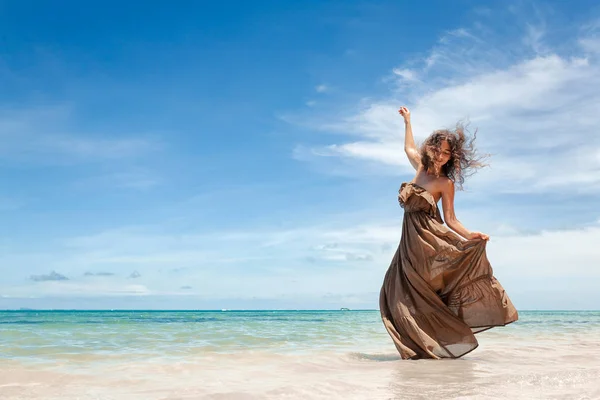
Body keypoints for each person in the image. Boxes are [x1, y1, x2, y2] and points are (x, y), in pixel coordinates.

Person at [379, 106, 518, 360]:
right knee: (393, 293)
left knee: (419, 296)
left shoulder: (445, 183)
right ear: (429, 148)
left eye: (447, 153)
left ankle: (435, 346)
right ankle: (422, 350)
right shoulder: (419, 168)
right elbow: (408, 148)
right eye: (438, 150)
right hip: (408, 246)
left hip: (429, 243)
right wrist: (408, 121)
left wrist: (470, 235)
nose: (442, 156)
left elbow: (451, 219)